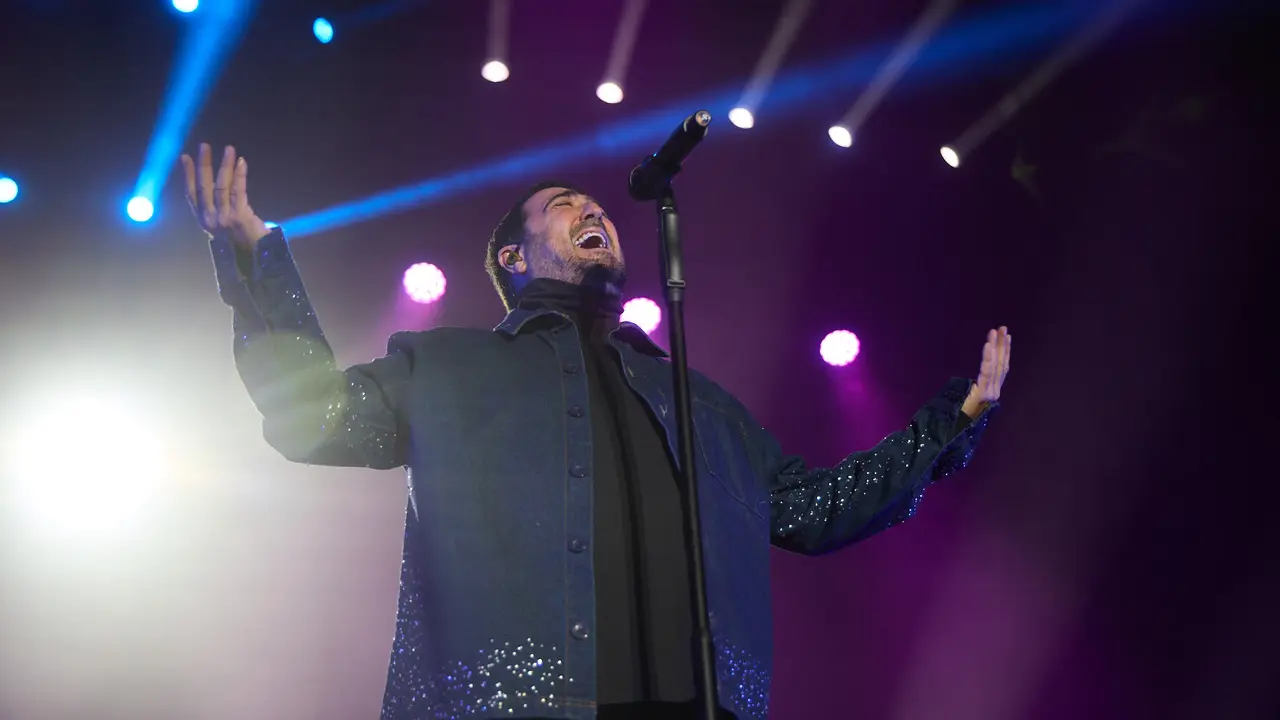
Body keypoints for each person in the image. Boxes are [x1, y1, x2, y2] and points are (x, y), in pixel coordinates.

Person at [182, 143, 1010, 720]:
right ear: (513, 258)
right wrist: (259, 267)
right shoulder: (444, 369)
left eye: (599, 207)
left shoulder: (700, 401)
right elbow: (314, 415)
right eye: (565, 206)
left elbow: (814, 509)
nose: (595, 212)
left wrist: (953, 421)